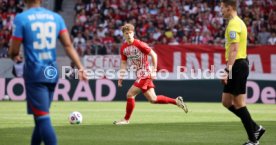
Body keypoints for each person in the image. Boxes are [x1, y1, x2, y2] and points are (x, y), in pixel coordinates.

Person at [8, 0, 87, 145]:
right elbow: (68, 45)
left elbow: (13, 50)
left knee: (43, 118)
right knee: (39, 117)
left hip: (35, 72)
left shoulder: (21, 18)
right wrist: (80, 66)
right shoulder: (56, 18)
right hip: (51, 72)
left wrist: (14, 55)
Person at [113, 23, 188, 125]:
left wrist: (153, 70)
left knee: (130, 94)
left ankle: (126, 119)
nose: (129, 35)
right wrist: (121, 76)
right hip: (139, 74)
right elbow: (123, 62)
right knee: (153, 99)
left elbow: (154, 55)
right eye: (127, 33)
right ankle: (176, 101)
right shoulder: (123, 48)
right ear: (123, 34)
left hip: (145, 73)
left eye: (130, 33)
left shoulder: (140, 44)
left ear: (133, 33)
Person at [220, 1, 265, 145]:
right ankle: (256, 128)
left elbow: (234, 49)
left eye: (222, 8)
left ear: (229, 7)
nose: (221, 11)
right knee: (226, 102)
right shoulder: (237, 22)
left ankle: (253, 140)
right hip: (237, 64)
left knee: (239, 103)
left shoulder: (234, 24)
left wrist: (227, 70)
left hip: (238, 65)